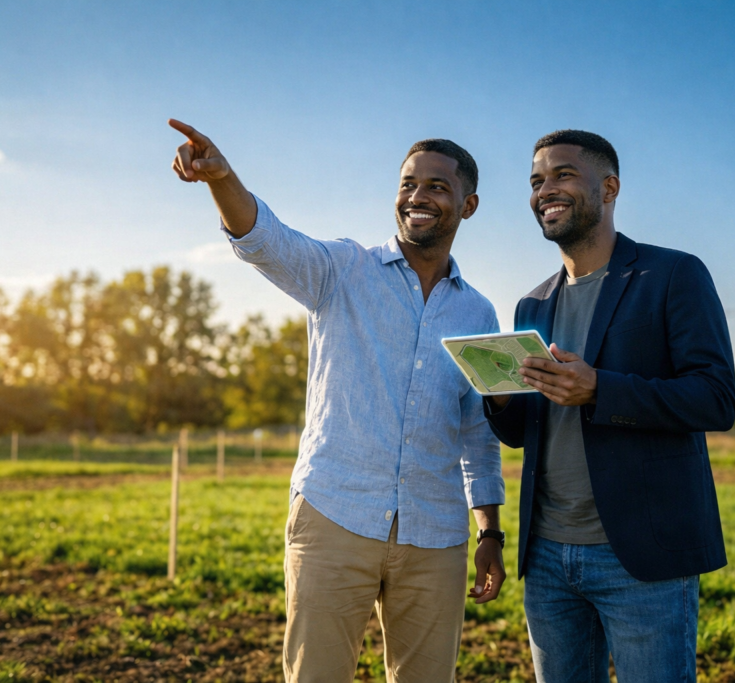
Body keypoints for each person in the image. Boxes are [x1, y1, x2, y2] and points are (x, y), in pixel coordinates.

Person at [168, 119, 507, 683]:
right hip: (335, 517)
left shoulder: (479, 314)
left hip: (436, 534)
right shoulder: (342, 270)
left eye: (436, 187)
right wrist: (221, 179)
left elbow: (477, 435)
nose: (417, 197)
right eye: (407, 184)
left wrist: (489, 532)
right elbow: (265, 239)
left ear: (468, 205)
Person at [484, 130, 735, 682]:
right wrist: (502, 399)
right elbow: (532, 430)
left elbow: (717, 399)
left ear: (610, 187)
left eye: (563, 174)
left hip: (642, 558)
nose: (545, 189)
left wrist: (601, 388)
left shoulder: (673, 275)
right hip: (547, 556)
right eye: (536, 181)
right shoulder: (533, 303)